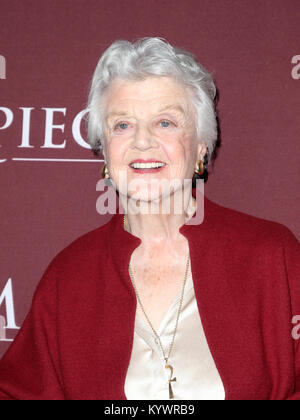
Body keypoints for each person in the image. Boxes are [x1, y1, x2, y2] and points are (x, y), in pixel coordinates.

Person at [0, 37, 299, 400]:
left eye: (165, 123)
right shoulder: (69, 277)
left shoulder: (271, 255)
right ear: (105, 151)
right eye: (122, 125)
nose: (142, 142)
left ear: (201, 146)